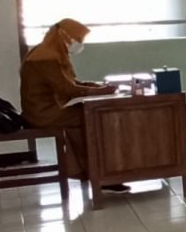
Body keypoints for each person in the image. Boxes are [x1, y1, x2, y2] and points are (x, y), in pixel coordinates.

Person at [16, 19, 120, 178]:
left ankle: (86, 170)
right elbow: (66, 89)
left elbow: (68, 82)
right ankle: (101, 172)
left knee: (84, 119)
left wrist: (96, 86)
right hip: (44, 113)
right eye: (78, 40)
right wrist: (98, 91)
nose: (79, 44)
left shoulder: (47, 51)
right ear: (64, 37)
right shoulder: (45, 58)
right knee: (92, 118)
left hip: (48, 109)